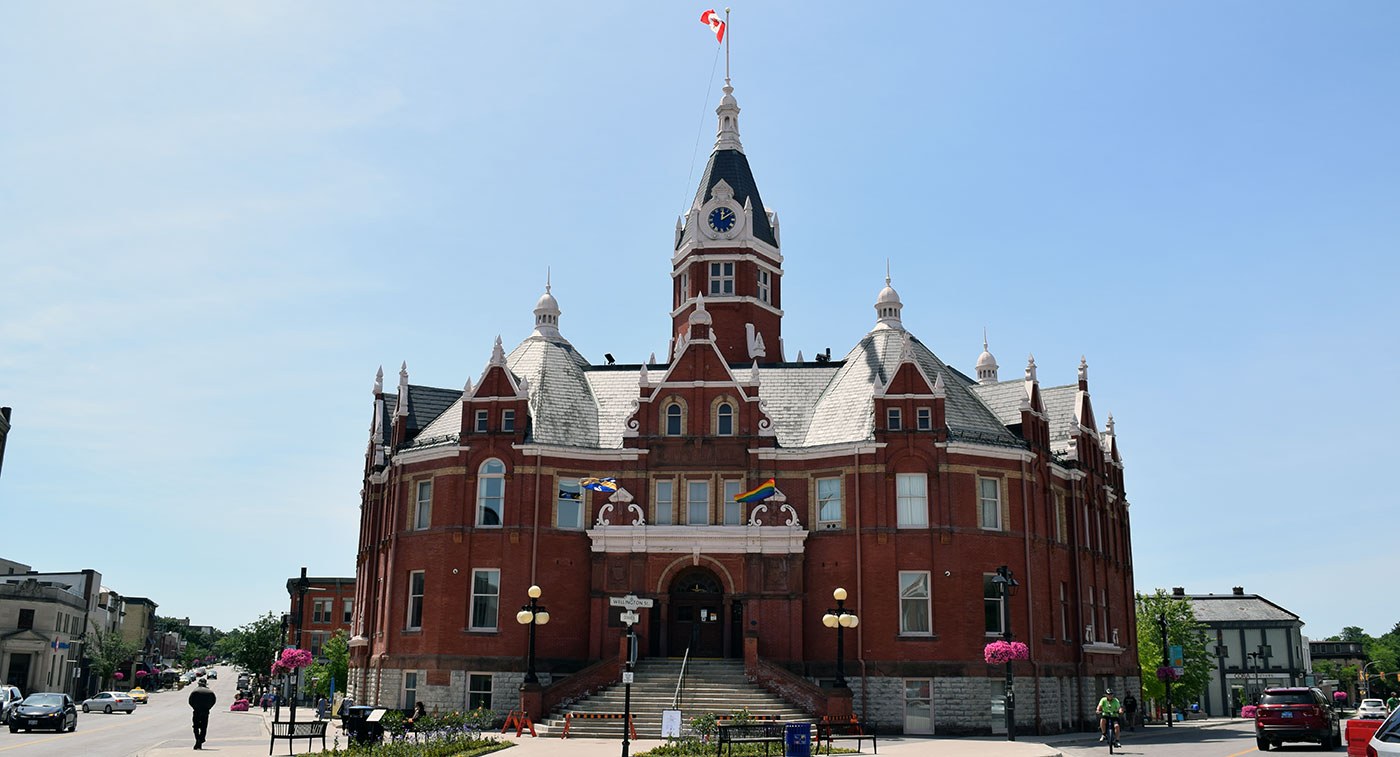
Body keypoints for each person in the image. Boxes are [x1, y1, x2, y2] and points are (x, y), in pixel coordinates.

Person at [188, 678, 217, 750]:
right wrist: (208, 708)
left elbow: (190, 701)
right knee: (204, 727)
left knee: (195, 726)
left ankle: (198, 739)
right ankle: (201, 739)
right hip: (205, 711)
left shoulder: (195, 691)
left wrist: (195, 707)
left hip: (197, 710)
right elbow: (213, 701)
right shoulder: (210, 692)